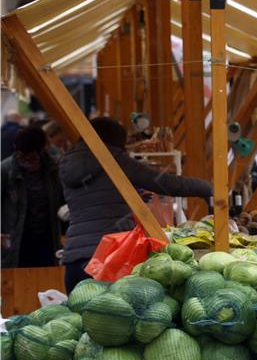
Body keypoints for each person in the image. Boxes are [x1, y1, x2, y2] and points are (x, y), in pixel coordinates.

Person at [59, 117, 212, 292]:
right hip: (108, 257)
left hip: (74, 256)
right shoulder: (114, 160)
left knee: (78, 314)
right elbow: (165, 182)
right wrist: (206, 188)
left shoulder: (67, 164)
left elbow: (97, 195)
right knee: (110, 316)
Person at [1, 126, 65, 268]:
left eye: (31, 158)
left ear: (41, 151)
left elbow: (63, 199)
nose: (26, 162)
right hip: (16, 242)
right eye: (21, 156)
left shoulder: (53, 168)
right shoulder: (5, 171)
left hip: (47, 240)